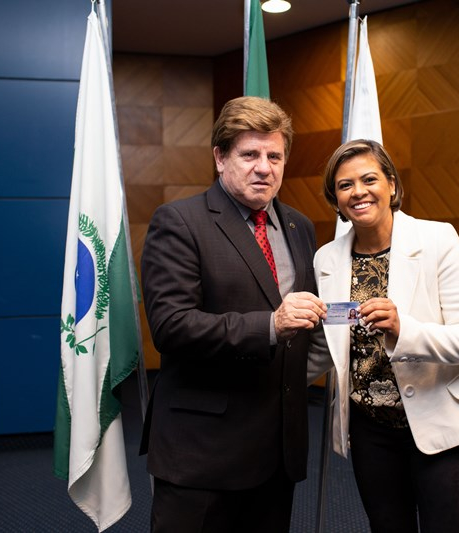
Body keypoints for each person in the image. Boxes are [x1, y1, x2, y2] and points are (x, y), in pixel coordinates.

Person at [140, 96, 327, 533]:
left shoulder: (300, 226)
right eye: (249, 155)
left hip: (277, 451)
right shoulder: (180, 222)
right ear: (220, 158)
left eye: (274, 156)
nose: (264, 168)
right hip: (203, 452)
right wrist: (270, 325)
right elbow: (171, 326)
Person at [307, 139, 459, 533]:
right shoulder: (326, 259)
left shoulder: (438, 240)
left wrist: (403, 330)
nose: (358, 191)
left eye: (369, 179)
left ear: (392, 185)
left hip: (443, 422)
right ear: (336, 200)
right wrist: (273, 379)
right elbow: (330, 346)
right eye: (345, 185)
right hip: (370, 430)